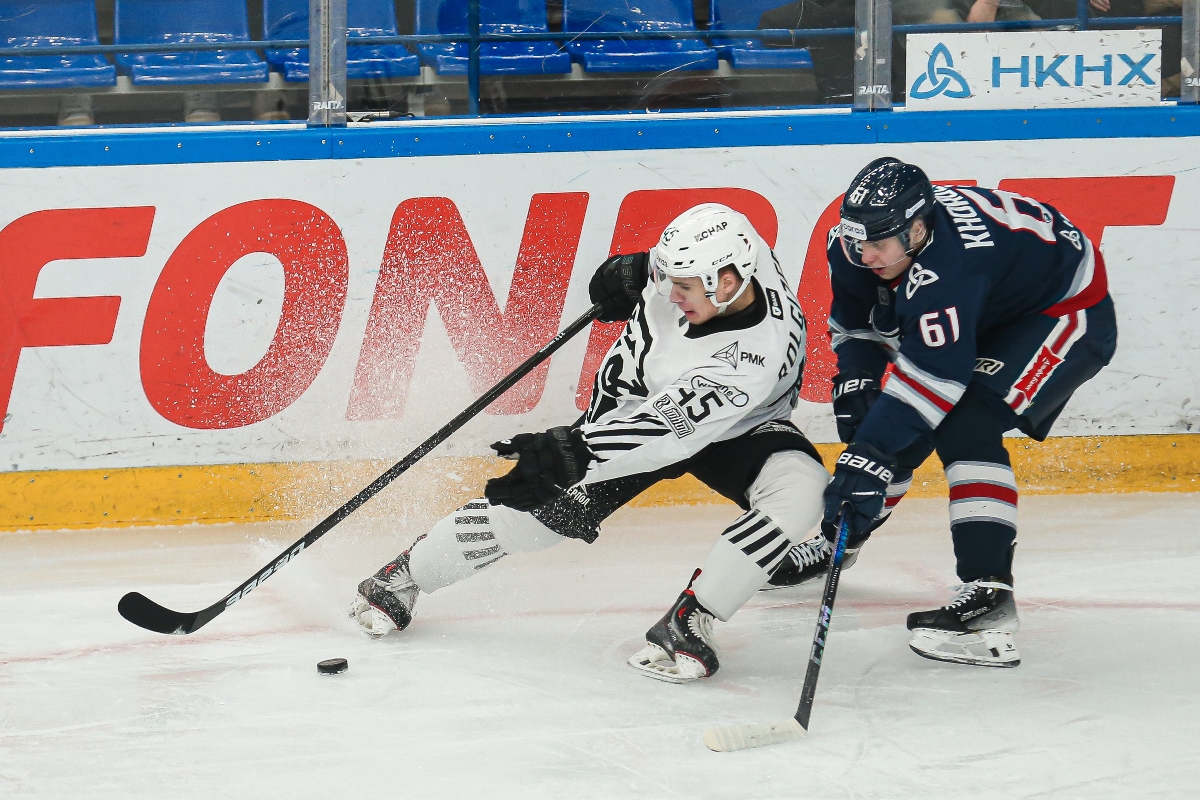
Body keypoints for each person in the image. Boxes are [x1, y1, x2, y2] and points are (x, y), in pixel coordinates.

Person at [348, 203, 831, 683]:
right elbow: (650, 398)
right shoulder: (735, 247)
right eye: (666, 277)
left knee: (803, 490)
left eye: (682, 286)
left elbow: (666, 432)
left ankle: (693, 618)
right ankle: (406, 574)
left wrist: (575, 453)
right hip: (631, 407)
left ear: (729, 282)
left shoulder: (750, 359)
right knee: (538, 519)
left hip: (724, 425)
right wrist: (639, 267)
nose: (668, 293)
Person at [769, 158, 1117, 668]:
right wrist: (858, 380)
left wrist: (867, 456)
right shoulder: (857, 242)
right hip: (992, 300)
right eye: (857, 242)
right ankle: (840, 540)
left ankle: (989, 596)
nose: (865, 256)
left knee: (963, 422)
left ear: (917, 228)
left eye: (879, 245)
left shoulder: (951, 267)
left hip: (1060, 310)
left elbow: (935, 383)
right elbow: (857, 324)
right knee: (884, 423)